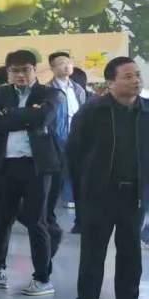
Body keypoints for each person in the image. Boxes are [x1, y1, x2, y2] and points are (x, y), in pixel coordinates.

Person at [69, 57, 149, 299]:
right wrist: (84, 189)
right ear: (110, 82)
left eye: (137, 75)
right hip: (99, 195)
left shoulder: (146, 111)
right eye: (128, 76)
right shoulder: (92, 112)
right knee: (93, 252)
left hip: (134, 195)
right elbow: (74, 152)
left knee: (131, 254)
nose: (136, 80)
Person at [0, 50, 62, 296]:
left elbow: (44, 117)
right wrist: (28, 117)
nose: (20, 75)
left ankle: (42, 278)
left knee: (37, 222)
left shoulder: (49, 93)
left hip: (37, 167)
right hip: (5, 166)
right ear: (8, 73)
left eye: (25, 69)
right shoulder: (1, 94)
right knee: (2, 220)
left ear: (34, 70)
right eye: (14, 70)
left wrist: (10, 115)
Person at [47, 51, 88, 236]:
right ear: (52, 67)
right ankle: (49, 221)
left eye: (68, 62)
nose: (66, 65)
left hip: (76, 140)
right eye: (62, 63)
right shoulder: (47, 90)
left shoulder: (78, 89)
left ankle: (80, 221)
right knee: (54, 183)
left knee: (79, 182)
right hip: (55, 141)